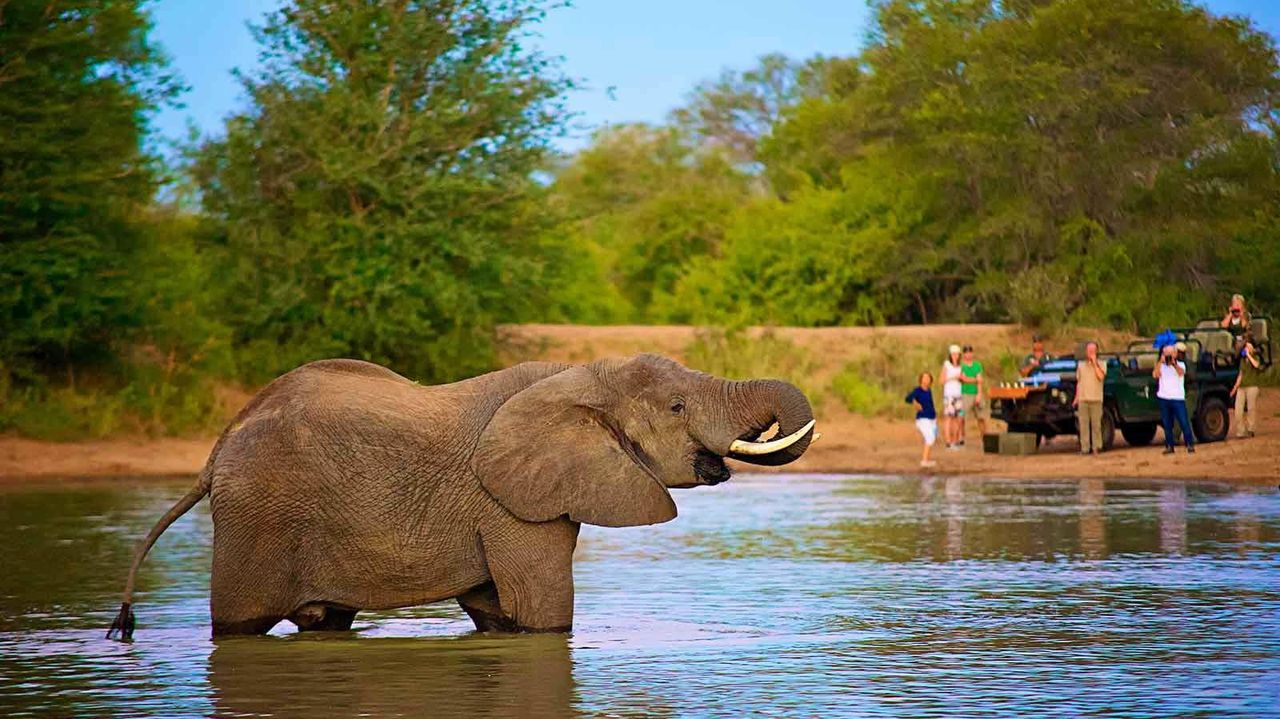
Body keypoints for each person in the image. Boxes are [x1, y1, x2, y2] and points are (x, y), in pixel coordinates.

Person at [1153, 344, 1195, 455]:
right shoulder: (1161, 365)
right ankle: (1169, 446)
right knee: (1167, 424)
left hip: (1177, 398)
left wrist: (1173, 363)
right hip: (1164, 397)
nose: (1168, 357)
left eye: (1170, 354)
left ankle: (1189, 444)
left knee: (1183, 422)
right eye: (1166, 354)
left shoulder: (1181, 364)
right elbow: (1155, 375)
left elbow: (1181, 372)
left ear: (1175, 354)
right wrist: (1160, 362)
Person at [1073, 341, 1106, 455]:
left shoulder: (1102, 364)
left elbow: (1101, 376)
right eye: (1089, 351)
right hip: (1083, 399)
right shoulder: (1081, 365)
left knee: (1096, 425)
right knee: (1083, 425)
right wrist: (1076, 397)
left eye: (1092, 351)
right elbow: (1079, 382)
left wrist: (1095, 363)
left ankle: (1096, 447)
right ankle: (1085, 448)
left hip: (1096, 399)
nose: (1090, 352)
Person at [1231, 334, 1262, 439]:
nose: (1247, 349)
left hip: (1252, 386)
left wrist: (1249, 355)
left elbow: (1257, 365)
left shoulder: (1256, 357)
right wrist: (1234, 388)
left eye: (1249, 347)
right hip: (1242, 386)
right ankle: (1240, 431)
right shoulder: (1242, 361)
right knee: (1238, 410)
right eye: (1246, 347)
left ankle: (1251, 429)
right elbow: (1240, 374)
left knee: (1251, 409)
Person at [906, 372, 938, 468]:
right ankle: (924, 460)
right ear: (921, 379)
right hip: (923, 419)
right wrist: (915, 403)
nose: (926, 380)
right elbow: (908, 398)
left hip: (931, 418)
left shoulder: (929, 390)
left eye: (928, 378)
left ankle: (927, 459)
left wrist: (935, 416)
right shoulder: (918, 390)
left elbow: (931, 404)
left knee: (932, 438)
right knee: (930, 438)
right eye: (924, 378)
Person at [959, 344, 987, 440]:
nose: (968, 354)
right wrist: (975, 379)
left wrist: (979, 394)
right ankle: (961, 437)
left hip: (976, 392)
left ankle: (984, 437)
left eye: (970, 352)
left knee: (981, 417)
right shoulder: (961, 365)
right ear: (963, 354)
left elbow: (980, 380)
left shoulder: (977, 365)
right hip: (965, 393)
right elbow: (963, 379)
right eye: (966, 352)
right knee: (961, 416)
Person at [941, 345, 966, 449]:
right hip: (949, 395)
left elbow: (963, 380)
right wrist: (953, 377)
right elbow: (942, 380)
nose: (955, 356)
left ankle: (955, 440)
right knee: (949, 418)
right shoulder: (947, 365)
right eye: (953, 354)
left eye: (957, 354)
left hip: (959, 394)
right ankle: (948, 441)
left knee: (958, 418)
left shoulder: (961, 366)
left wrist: (961, 378)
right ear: (950, 355)